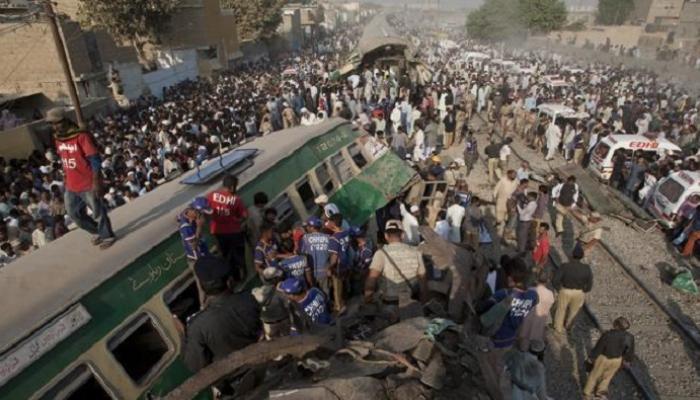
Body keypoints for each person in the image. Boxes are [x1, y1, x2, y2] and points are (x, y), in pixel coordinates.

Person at [178, 256, 261, 380]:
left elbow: (195, 366)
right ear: (229, 282)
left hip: (232, 382)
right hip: (261, 365)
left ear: (203, 288)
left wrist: (182, 335)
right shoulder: (248, 299)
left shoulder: (197, 325)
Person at [46, 107, 115, 248]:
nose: (54, 127)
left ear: (65, 121)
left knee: (97, 212)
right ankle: (96, 230)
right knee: (74, 214)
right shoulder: (58, 139)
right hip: (71, 184)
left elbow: (94, 159)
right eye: (52, 124)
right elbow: (64, 160)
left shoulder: (81, 136)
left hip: (87, 182)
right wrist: (65, 179)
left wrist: (97, 181)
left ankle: (107, 235)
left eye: (57, 123)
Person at [478, 256, 538, 400]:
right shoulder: (532, 296)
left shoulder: (503, 294)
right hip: (511, 338)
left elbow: (483, 308)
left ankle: (497, 393)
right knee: (504, 363)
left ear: (510, 278)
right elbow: (533, 302)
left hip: (496, 339)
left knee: (494, 369)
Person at [364, 220, 427, 323]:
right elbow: (423, 281)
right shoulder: (416, 252)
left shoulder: (381, 254)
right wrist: (423, 305)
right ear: (402, 235)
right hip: (411, 303)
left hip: (390, 306)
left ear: (386, 236)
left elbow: (371, 280)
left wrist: (368, 299)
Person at [207, 175, 248, 283]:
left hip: (217, 233)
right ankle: (241, 278)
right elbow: (244, 215)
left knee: (225, 257)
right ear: (232, 187)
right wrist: (238, 220)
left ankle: (230, 279)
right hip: (234, 232)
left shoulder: (211, 195)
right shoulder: (236, 199)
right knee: (238, 256)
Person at [583, 317, 635, 400]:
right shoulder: (630, 337)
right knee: (607, 377)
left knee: (594, 375)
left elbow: (599, 347)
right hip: (617, 360)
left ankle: (587, 392)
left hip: (603, 358)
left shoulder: (608, 335)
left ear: (616, 325)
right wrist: (627, 360)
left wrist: (592, 357)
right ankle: (600, 393)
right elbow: (630, 351)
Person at [178, 197, 212, 305]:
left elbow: (177, 217)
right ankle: (204, 306)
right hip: (197, 260)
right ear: (195, 211)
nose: (202, 216)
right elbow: (193, 246)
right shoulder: (186, 227)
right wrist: (199, 227)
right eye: (201, 213)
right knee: (202, 285)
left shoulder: (186, 214)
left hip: (204, 254)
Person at [552, 244, 593, 334]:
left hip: (565, 290)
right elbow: (589, 283)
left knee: (561, 309)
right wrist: (584, 290)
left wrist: (559, 288)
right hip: (579, 292)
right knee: (574, 311)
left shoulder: (565, 266)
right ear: (582, 256)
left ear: (572, 255)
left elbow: (555, 280)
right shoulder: (586, 268)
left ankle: (558, 328)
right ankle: (568, 326)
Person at [518, 270, 555, 353]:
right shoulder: (550, 294)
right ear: (548, 280)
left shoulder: (530, 290)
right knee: (536, 337)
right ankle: (533, 352)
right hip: (540, 320)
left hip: (527, 319)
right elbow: (550, 305)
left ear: (537, 278)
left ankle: (522, 351)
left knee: (525, 337)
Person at [300, 217, 331, 296]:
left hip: (311, 273)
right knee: (325, 292)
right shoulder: (328, 237)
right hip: (325, 271)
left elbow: (302, 255)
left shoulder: (305, 238)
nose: (306, 228)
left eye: (308, 226)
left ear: (312, 227)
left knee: (315, 294)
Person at [327, 213, 351, 314]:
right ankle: (344, 303)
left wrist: (330, 267)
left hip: (338, 266)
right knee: (344, 285)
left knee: (337, 288)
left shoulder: (334, 238)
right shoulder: (345, 233)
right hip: (345, 262)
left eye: (329, 222)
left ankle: (339, 307)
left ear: (333, 223)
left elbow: (334, 256)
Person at [493, 170, 519, 237]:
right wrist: (494, 197)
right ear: (508, 174)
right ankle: (497, 225)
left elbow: (517, 189)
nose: (514, 176)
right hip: (501, 201)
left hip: (510, 202)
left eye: (515, 175)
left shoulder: (516, 181)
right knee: (499, 217)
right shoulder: (502, 180)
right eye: (513, 174)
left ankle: (504, 232)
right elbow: (496, 189)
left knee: (508, 217)